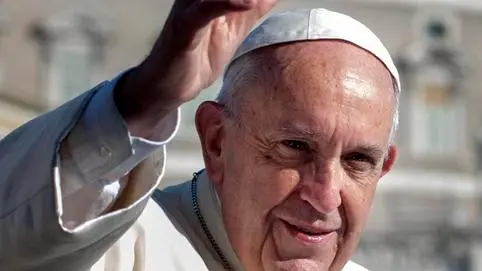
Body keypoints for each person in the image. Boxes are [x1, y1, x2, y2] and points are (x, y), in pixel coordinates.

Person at [0, 0, 401, 270]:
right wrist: (142, 103)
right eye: (295, 147)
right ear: (217, 142)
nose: (325, 195)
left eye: (357, 160)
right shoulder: (115, 249)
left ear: (383, 169)